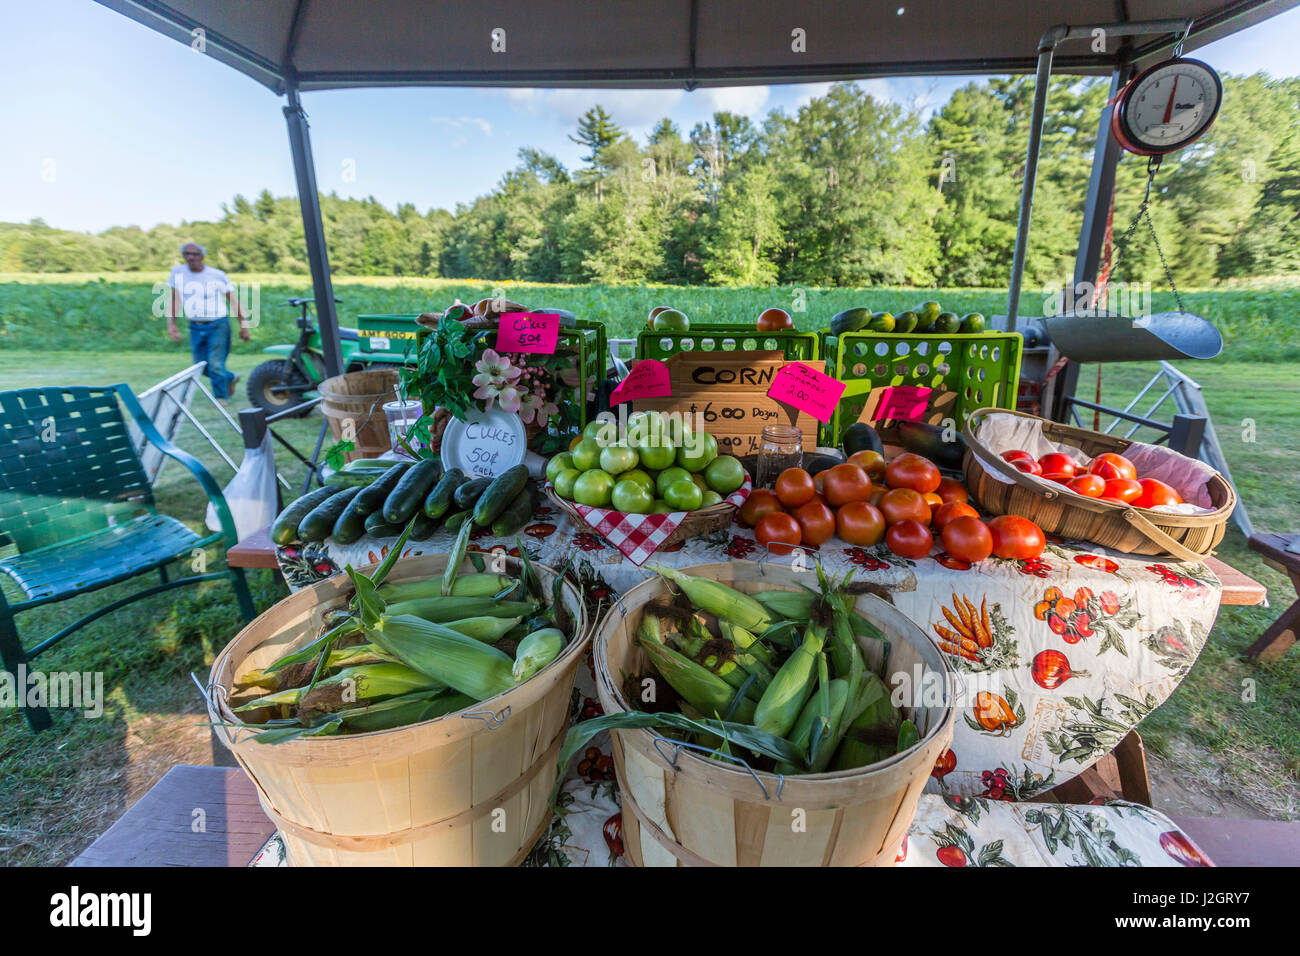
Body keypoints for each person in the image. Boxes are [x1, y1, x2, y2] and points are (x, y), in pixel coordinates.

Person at [167, 242, 250, 401]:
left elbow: (233, 301)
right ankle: (231, 377)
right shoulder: (177, 273)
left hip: (218, 324)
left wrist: (244, 326)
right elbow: (174, 300)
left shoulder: (217, 275)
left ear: (203, 256)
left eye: (195, 254)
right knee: (201, 367)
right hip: (195, 326)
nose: (191, 257)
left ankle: (221, 398)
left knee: (216, 364)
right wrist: (171, 324)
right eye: (187, 254)